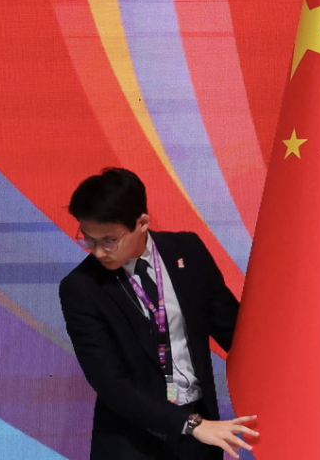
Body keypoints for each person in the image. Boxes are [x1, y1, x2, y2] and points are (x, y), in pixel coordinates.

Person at [59, 168, 258, 459]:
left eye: (109, 240)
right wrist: (192, 425)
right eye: (88, 239)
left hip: (201, 437)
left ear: (142, 222)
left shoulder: (188, 251)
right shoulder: (81, 288)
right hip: (133, 441)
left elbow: (234, 331)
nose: (99, 252)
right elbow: (110, 383)